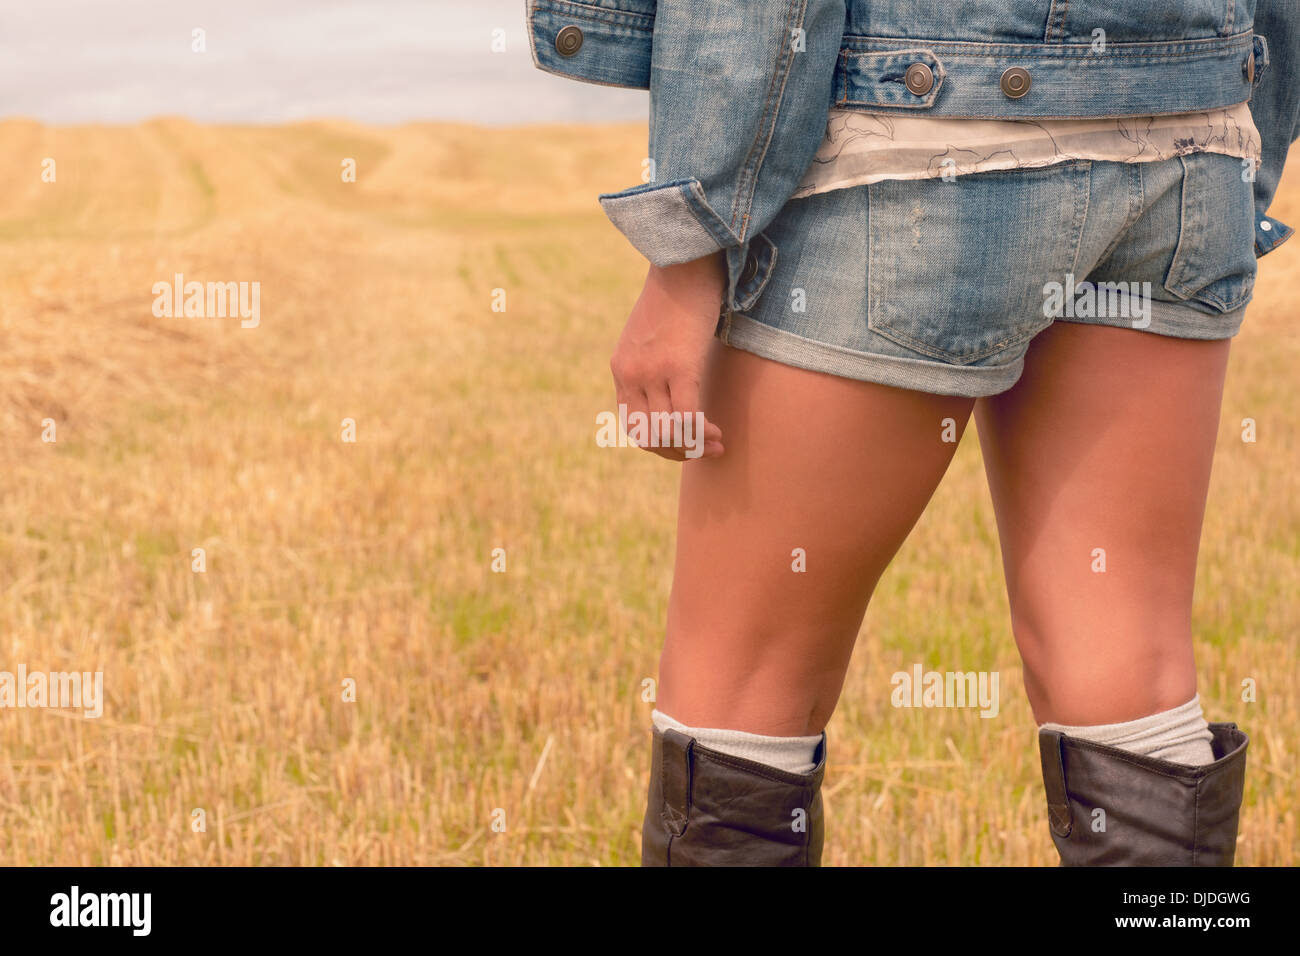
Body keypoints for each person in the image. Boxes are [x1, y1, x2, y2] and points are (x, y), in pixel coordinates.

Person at [527, 0, 1298, 865]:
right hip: (1186, 152)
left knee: (741, 691)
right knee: (1136, 675)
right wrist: (1238, 156)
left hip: (913, 147)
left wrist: (688, 241)